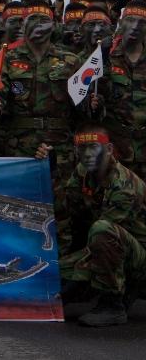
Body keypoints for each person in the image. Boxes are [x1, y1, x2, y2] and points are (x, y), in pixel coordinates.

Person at [50, 126, 146, 327]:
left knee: (102, 229)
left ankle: (113, 305)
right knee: (55, 274)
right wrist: (53, 175)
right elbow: (67, 213)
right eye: (81, 148)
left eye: (93, 147)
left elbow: (103, 240)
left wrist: (66, 274)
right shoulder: (82, 174)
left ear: (109, 149)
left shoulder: (124, 186)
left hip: (138, 258)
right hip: (112, 250)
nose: (86, 154)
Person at [0, 3, 82, 174]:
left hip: (60, 145)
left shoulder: (71, 61)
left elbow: (80, 107)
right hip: (20, 145)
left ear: (54, 26)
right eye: (32, 19)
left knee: (58, 196)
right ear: (23, 24)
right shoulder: (7, 59)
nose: (38, 24)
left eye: (44, 20)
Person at [97, 3, 146, 179]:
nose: (135, 27)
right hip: (115, 149)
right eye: (130, 20)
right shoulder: (105, 56)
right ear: (120, 23)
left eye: (142, 22)